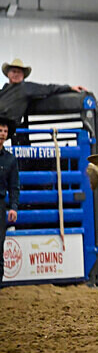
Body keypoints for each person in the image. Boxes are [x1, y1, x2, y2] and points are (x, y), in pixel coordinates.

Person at [0, 58, 88, 144]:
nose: (16, 74)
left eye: (19, 72)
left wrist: (69, 88)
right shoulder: (3, 91)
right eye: (14, 71)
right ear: (8, 74)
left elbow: (48, 88)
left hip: (8, 127)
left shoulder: (26, 88)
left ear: (23, 75)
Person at [0, 117, 20, 287]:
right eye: (0, 130)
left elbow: (14, 186)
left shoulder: (10, 160)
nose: (2, 134)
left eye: (5, 131)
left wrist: (13, 207)